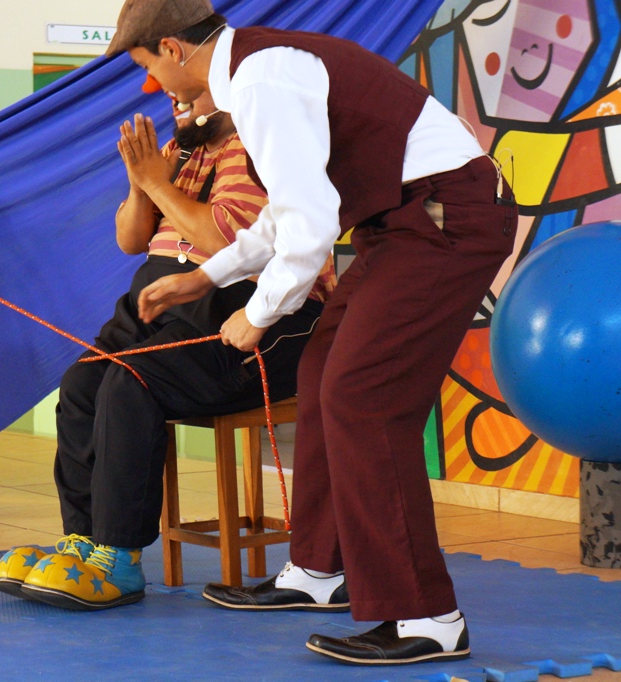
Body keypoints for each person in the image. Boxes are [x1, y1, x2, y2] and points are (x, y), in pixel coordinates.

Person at [107, 0, 518, 666]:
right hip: (402, 224)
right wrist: (207, 278)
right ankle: (319, 572)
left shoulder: (261, 80)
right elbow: (286, 212)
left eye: (147, 66)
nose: (154, 86)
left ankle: (429, 616)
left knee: (364, 398)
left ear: (174, 50)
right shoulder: (254, 73)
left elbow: (311, 227)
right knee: (323, 372)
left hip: (446, 216)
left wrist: (258, 313)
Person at [0, 84, 334, 610]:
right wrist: (140, 185)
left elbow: (223, 242)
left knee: (131, 383)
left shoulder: (256, 146)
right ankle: (83, 541)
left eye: (187, 91)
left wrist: (156, 183)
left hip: (245, 307)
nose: (176, 102)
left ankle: (119, 556)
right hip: (160, 297)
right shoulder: (182, 154)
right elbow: (131, 240)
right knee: (81, 384)